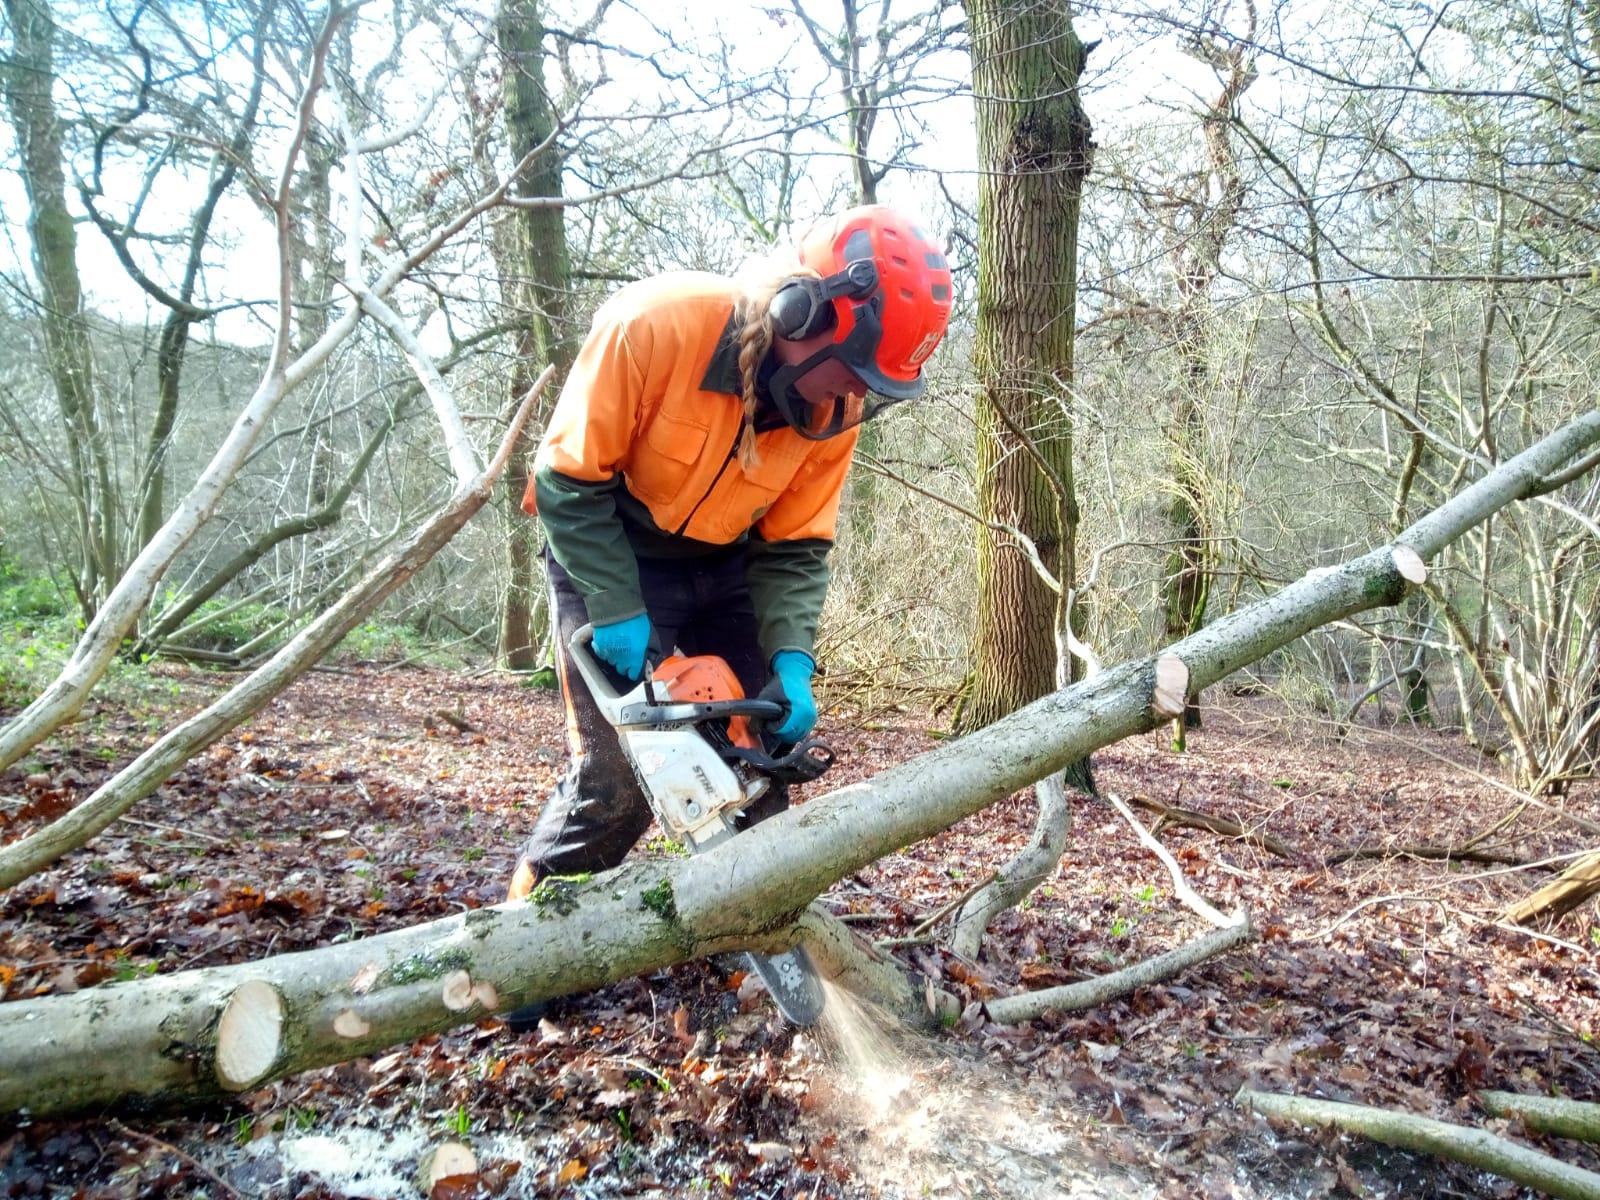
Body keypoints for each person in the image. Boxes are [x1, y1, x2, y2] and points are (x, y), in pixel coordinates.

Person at [505, 204, 953, 908]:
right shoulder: (656, 325)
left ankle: (746, 930)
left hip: (731, 565)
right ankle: (521, 943)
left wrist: (792, 661)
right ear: (800, 313)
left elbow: (797, 545)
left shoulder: (834, 414)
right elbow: (567, 479)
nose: (855, 393)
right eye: (853, 371)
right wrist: (617, 604)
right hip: (608, 546)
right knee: (620, 780)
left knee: (756, 762)